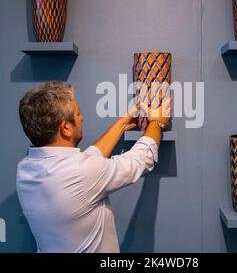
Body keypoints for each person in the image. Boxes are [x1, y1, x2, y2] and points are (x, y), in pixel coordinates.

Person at [16, 81, 171, 253]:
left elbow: (86, 162)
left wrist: (121, 124)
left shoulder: (25, 169)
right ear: (65, 128)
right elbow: (140, 160)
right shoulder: (80, 172)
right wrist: (156, 122)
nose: (81, 118)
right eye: (77, 113)